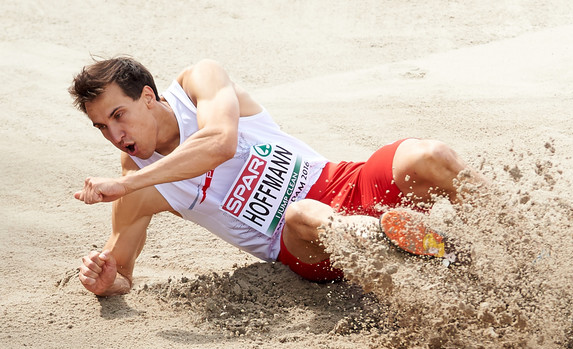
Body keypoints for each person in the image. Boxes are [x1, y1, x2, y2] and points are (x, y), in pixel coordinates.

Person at [70, 57, 476, 297]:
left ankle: (518, 241)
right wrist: (106, 281)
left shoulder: (199, 83)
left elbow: (219, 143)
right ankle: (392, 243)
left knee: (431, 155)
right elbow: (121, 270)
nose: (114, 136)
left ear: (147, 96)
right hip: (304, 243)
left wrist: (128, 183)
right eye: (102, 127)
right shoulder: (137, 184)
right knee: (303, 212)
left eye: (118, 116)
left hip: (343, 180)